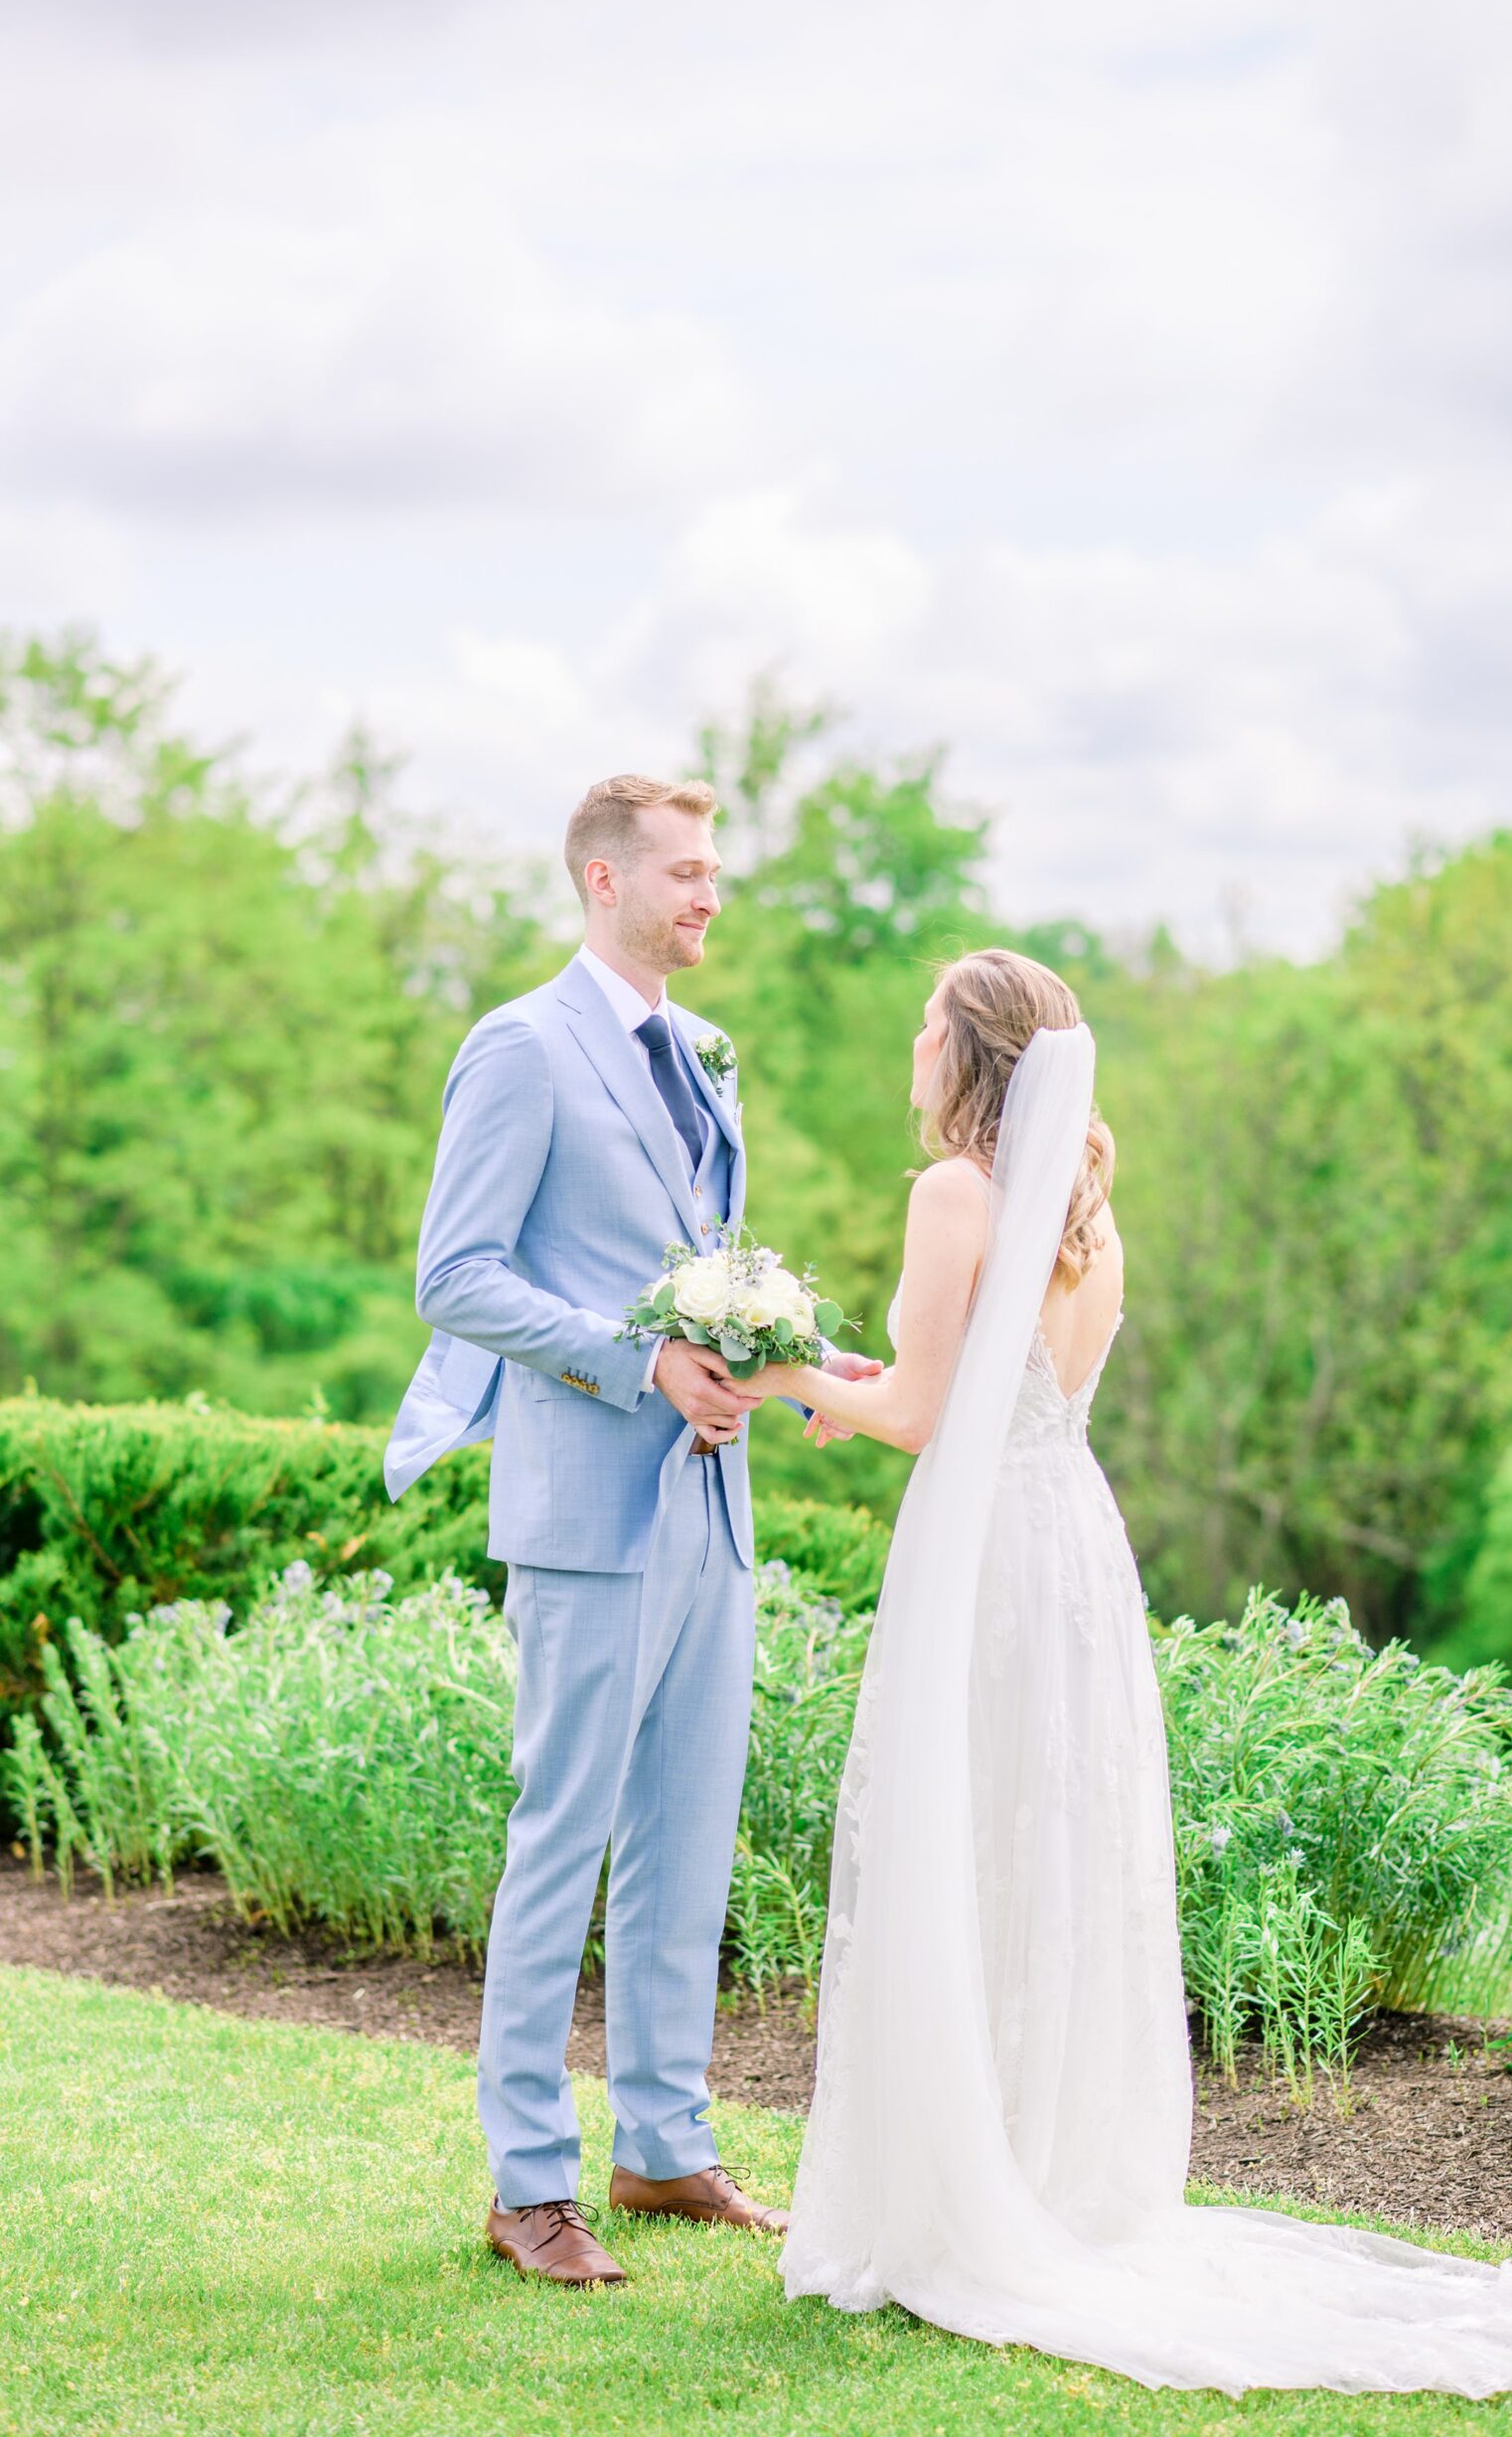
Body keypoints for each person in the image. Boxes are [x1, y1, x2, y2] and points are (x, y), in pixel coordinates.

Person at [725, 947, 1512, 2399]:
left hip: (980, 1563)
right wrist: (860, 1395)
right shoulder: (1091, 1220)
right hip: (1071, 1545)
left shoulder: (957, 1193)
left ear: (967, 1054)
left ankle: (968, 2190)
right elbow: (980, 1397)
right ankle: (1043, 2168)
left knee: (966, 1838)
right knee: (1049, 1843)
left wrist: (771, 1373)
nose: (907, 1044)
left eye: (921, 1026)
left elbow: (914, 1410)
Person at [384, 773, 881, 2288]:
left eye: (714, 869)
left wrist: (785, 1369)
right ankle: (527, 2185)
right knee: (565, 1839)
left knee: (687, 1843)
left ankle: (665, 2149)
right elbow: (455, 1276)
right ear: (602, 883)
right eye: (681, 870)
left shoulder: (708, 1057)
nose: (706, 894)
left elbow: (703, 1273)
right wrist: (639, 1359)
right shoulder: (520, 1048)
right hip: (587, 1508)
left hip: (711, 1510)